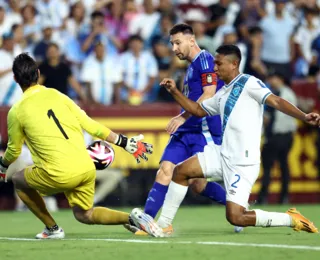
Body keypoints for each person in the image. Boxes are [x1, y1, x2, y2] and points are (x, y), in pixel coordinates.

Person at [131, 45, 319, 235]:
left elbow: (276, 101)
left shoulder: (249, 83)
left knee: (236, 217)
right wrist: (175, 92)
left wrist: (304, 116)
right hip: (222, 153)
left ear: (234, 64)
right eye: (214, 63)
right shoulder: (222, 93)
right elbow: (197, 110)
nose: (214, 68)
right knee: (180, 172)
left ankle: (291, 219)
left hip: (242, 162)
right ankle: (164, 225)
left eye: (219, 63)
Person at [0, 53, 155, 239]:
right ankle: (132, 218)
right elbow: (91, 125)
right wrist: (124, 142)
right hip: (86, 167)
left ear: (15, 78)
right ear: (38, 73)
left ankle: (52, 228)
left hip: (57, 173)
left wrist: (3, 166)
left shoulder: (16, 111)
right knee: (84, 214)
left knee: (18, 179)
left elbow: (14, 150)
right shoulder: (58, 95)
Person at [125, 24, 239, 236]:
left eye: (178, 43)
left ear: (191, 40)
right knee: (165, 170)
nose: (175, 48)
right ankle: (147, 221)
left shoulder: (205, 60)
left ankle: (239, 209)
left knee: (197, 184)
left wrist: (183, 116)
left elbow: (210, 93)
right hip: (186, 131)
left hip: (202, 130)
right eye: (172, 44)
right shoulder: (189, 67)